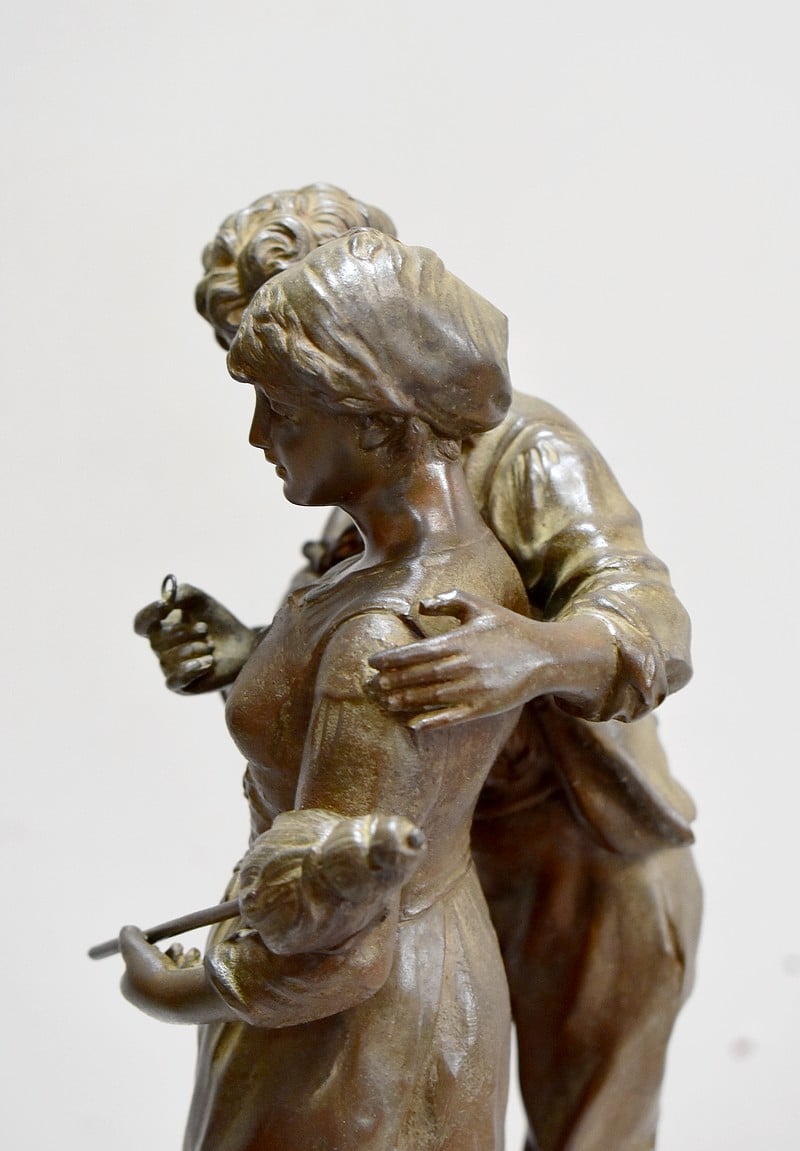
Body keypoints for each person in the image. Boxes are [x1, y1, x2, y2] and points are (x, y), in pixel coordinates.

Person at [137, 184, 702, 1151]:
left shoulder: (519, 453)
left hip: (577, 861)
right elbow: (355, 686)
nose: (264, 407)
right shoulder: (375, 490)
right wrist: (249, 656)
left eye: (288, 356)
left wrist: (532, 652)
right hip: (431, 872)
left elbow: (652, 619)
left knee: (589, 1131)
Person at [121, 229, 529, 1150]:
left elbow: (347, 947)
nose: (258, 435)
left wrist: (178, 987)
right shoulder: (448, 563)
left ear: (373, 418)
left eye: (282, 409)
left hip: (346, 1046)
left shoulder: (381, 632)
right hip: (435, 967)